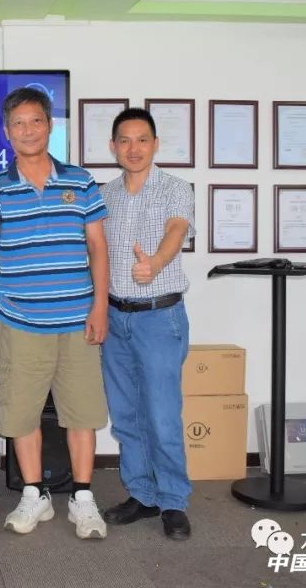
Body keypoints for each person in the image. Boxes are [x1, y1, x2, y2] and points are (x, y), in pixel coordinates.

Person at [0, 87, 110, 540]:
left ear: (49, 126)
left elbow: (98, 247)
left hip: (77, 320)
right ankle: (34, 494)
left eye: (36, 121)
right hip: (20, 322)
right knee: (21, 414)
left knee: (81, 414)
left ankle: (82, 498)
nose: (27, 130)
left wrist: (100, 306)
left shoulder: (80, 181)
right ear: (7, 133)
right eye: (18, 123)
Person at [99, 107, 194, 540]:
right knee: (126, 415)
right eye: (125, 140)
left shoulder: (175, 188)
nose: (133, 148)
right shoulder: (105, 195)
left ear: (155, 144)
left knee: (162, 415)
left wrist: (154, 263)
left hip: (159, 317)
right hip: (115, 317)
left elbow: (176, 230)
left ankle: (173, 501)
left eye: (142, 140)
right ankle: (142, 494)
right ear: (113, 147)